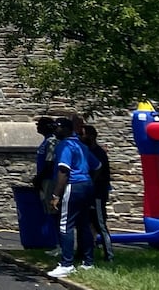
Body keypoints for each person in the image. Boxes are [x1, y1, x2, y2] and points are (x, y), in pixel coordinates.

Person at [46, 115, 95, 278]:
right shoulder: (81, 145)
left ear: (67, 129)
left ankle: (67, 264)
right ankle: (88, 262)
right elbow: (97, 166)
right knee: (84, 224)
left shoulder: (65, 146)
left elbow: (63, 171)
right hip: (86, 185)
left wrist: (56, 195)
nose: (55, 130)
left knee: (65, 224)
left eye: (58, 127)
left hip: (72, 186)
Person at [83, 123, 114, 263]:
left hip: (98, 194)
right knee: (87, 223)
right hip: (88, 193)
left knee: (100, 224)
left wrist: (91, 182)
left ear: (91, 136)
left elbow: (100, 173)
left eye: (83, 134)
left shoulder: (99, 153)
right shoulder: (86, 151)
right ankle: (86, 252)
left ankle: (109, 255)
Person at [32, 115, 58, 194]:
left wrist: (40, 178)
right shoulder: (46, 140)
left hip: (49, 179)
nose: (38, 127)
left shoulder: (52, 141)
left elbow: (49, 163)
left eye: (40, 125)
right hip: (44, 178)